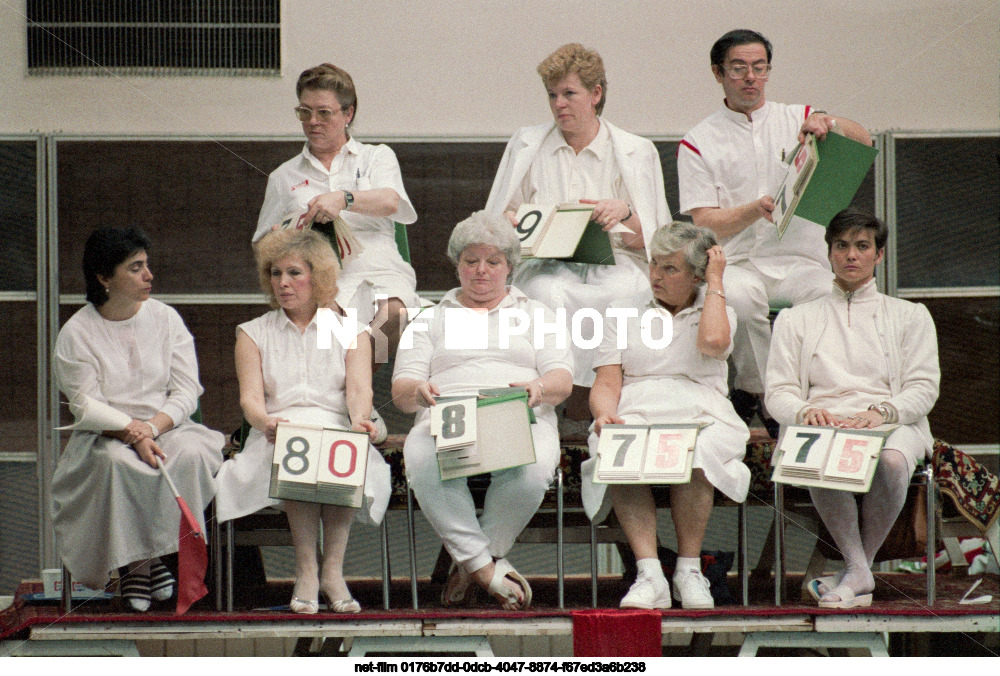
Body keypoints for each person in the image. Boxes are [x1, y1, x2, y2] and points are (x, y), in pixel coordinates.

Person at [677, 29, 873, 434]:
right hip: (741, 261)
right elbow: (702, 220)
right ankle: (764, 394)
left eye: (759, 68)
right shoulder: (698, 141)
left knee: (826, 293)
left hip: (801, 259)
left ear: (768, 71)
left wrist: (829, 121)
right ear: (718, 73)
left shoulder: (798, 117)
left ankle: (820, 394)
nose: (750, 77)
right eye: (738, 68)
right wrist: (752, 211)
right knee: (740, 297)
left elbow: (864, 139)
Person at [392, 211, 573, 609]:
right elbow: (402, 392)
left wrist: (538, 388)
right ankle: (487, 567)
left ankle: (471, 566)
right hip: (447, 416)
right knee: (422, 461)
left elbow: (562, 379)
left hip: (519, 412)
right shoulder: (429, 319)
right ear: (457, 264)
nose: (481, 270)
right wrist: (419, 392)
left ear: (510, 267)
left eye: (493, 261)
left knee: (533, 470)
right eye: (471, 260)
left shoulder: (536, 313)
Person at [485, 43, 671, 431]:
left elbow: (652, 238)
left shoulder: (637, 151)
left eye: (569, 93)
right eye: (552, 95)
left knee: (621, 296)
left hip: (616, 261)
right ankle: (551, 401)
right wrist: (524, 218)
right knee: (545, 295)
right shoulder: (526, 144)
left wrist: (624, 212)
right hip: (545, 262)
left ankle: (597, 403)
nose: (559, 104)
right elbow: (500, 216)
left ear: (596, 94)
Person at [765, 208, 940, 608]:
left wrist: (882, 413)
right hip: (823, 420)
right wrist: (805, 411)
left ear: (879, 255)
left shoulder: (909, 316)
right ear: (828, 253)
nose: (850, 255)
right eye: (841, 246)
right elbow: (778, 390)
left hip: (890, 419)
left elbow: (923, 388)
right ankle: (860, 571)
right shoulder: (796, 319)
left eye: (862, 246)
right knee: (820, 448)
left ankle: (858, 569)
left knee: (894, 461)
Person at [215, 229, 390, 613]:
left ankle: (332, 570)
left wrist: (361, 420)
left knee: (341, 450)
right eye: (275, 274)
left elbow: (360, 392)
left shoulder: (353, 331)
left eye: (294, 273)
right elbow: (251, 400)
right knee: (300, 450)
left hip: (336, 427)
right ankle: (308, 569)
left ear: (320, 277)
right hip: (275, 433)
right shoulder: (252, 332)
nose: (283, 283)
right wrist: (265, 423)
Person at [52, 226, 224, 611]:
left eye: (146, 265)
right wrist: (132, 434)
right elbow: (85, 404)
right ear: (103, 278)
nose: (149, 276)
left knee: (193, 454)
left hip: (168, 426)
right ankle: (142, 565)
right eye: (135, 268)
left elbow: (186, 390)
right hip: (106, 434)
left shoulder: (166, 319)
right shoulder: (76, 332)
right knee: (116, 464)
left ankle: (154, 560)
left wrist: (152, 428)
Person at [584, 221, 750, 609]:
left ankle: (689, 571)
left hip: (703, 411)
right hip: (637, 407)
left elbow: (712, 342)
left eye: (670, 268)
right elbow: (607, 382)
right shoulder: (621, 311)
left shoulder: (719, 309)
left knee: (694, 449)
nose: (655, 275)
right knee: (618, 445)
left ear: (697, 275)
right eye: (654, 263)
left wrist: (716, 283)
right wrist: (604, 413)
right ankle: (649, 574)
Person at [254, 63, 419, 439]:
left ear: (348, 114)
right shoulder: (284, 176)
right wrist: (284, 234)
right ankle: (355, 410)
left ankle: (348, 397)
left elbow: (392, 202)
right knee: (327, 323)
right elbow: (262, 241)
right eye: (304, 111)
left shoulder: (376, 157)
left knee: (392, 312)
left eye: (324, 112)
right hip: (322, 275)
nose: (313, 121)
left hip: (378, 265)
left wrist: (344, 198)